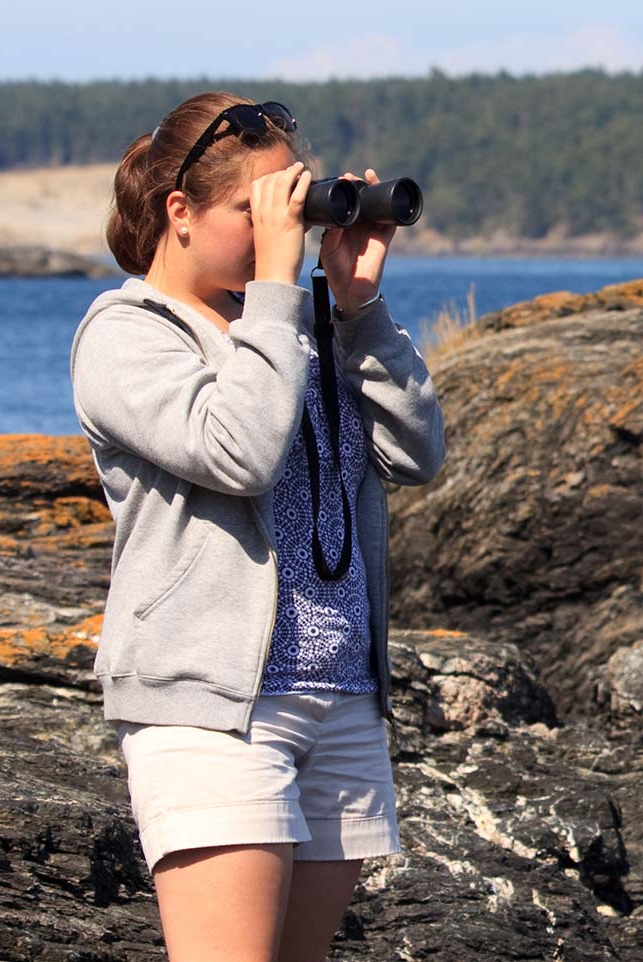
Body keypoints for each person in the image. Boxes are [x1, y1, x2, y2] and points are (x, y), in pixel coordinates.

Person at [69, 91, 447, 961]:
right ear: (180, 213)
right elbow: (236, 452)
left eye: (293, 206)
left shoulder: (297, 330)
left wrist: (357, 309)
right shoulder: (126, 336)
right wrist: (281, 288)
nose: (280, 232)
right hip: (214, 707)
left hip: (339, 696)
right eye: (255, 211)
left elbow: (417, 453)